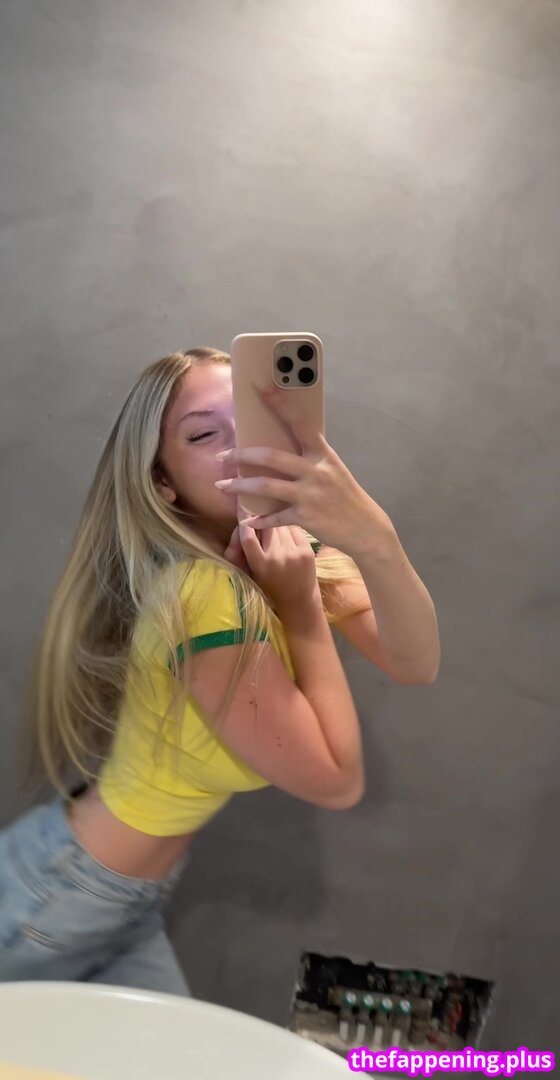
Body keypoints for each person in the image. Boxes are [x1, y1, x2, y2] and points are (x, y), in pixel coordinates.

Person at [0, 346, 439, 996]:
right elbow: (338, 782)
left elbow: (414, 661)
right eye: (205, 435)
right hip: (56, 899)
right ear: (163, 481)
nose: (241, 448)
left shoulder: (289, 554)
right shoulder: (201, 593)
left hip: (126, 899)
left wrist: (374, 535)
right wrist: (301, 608)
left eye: (252, 422)